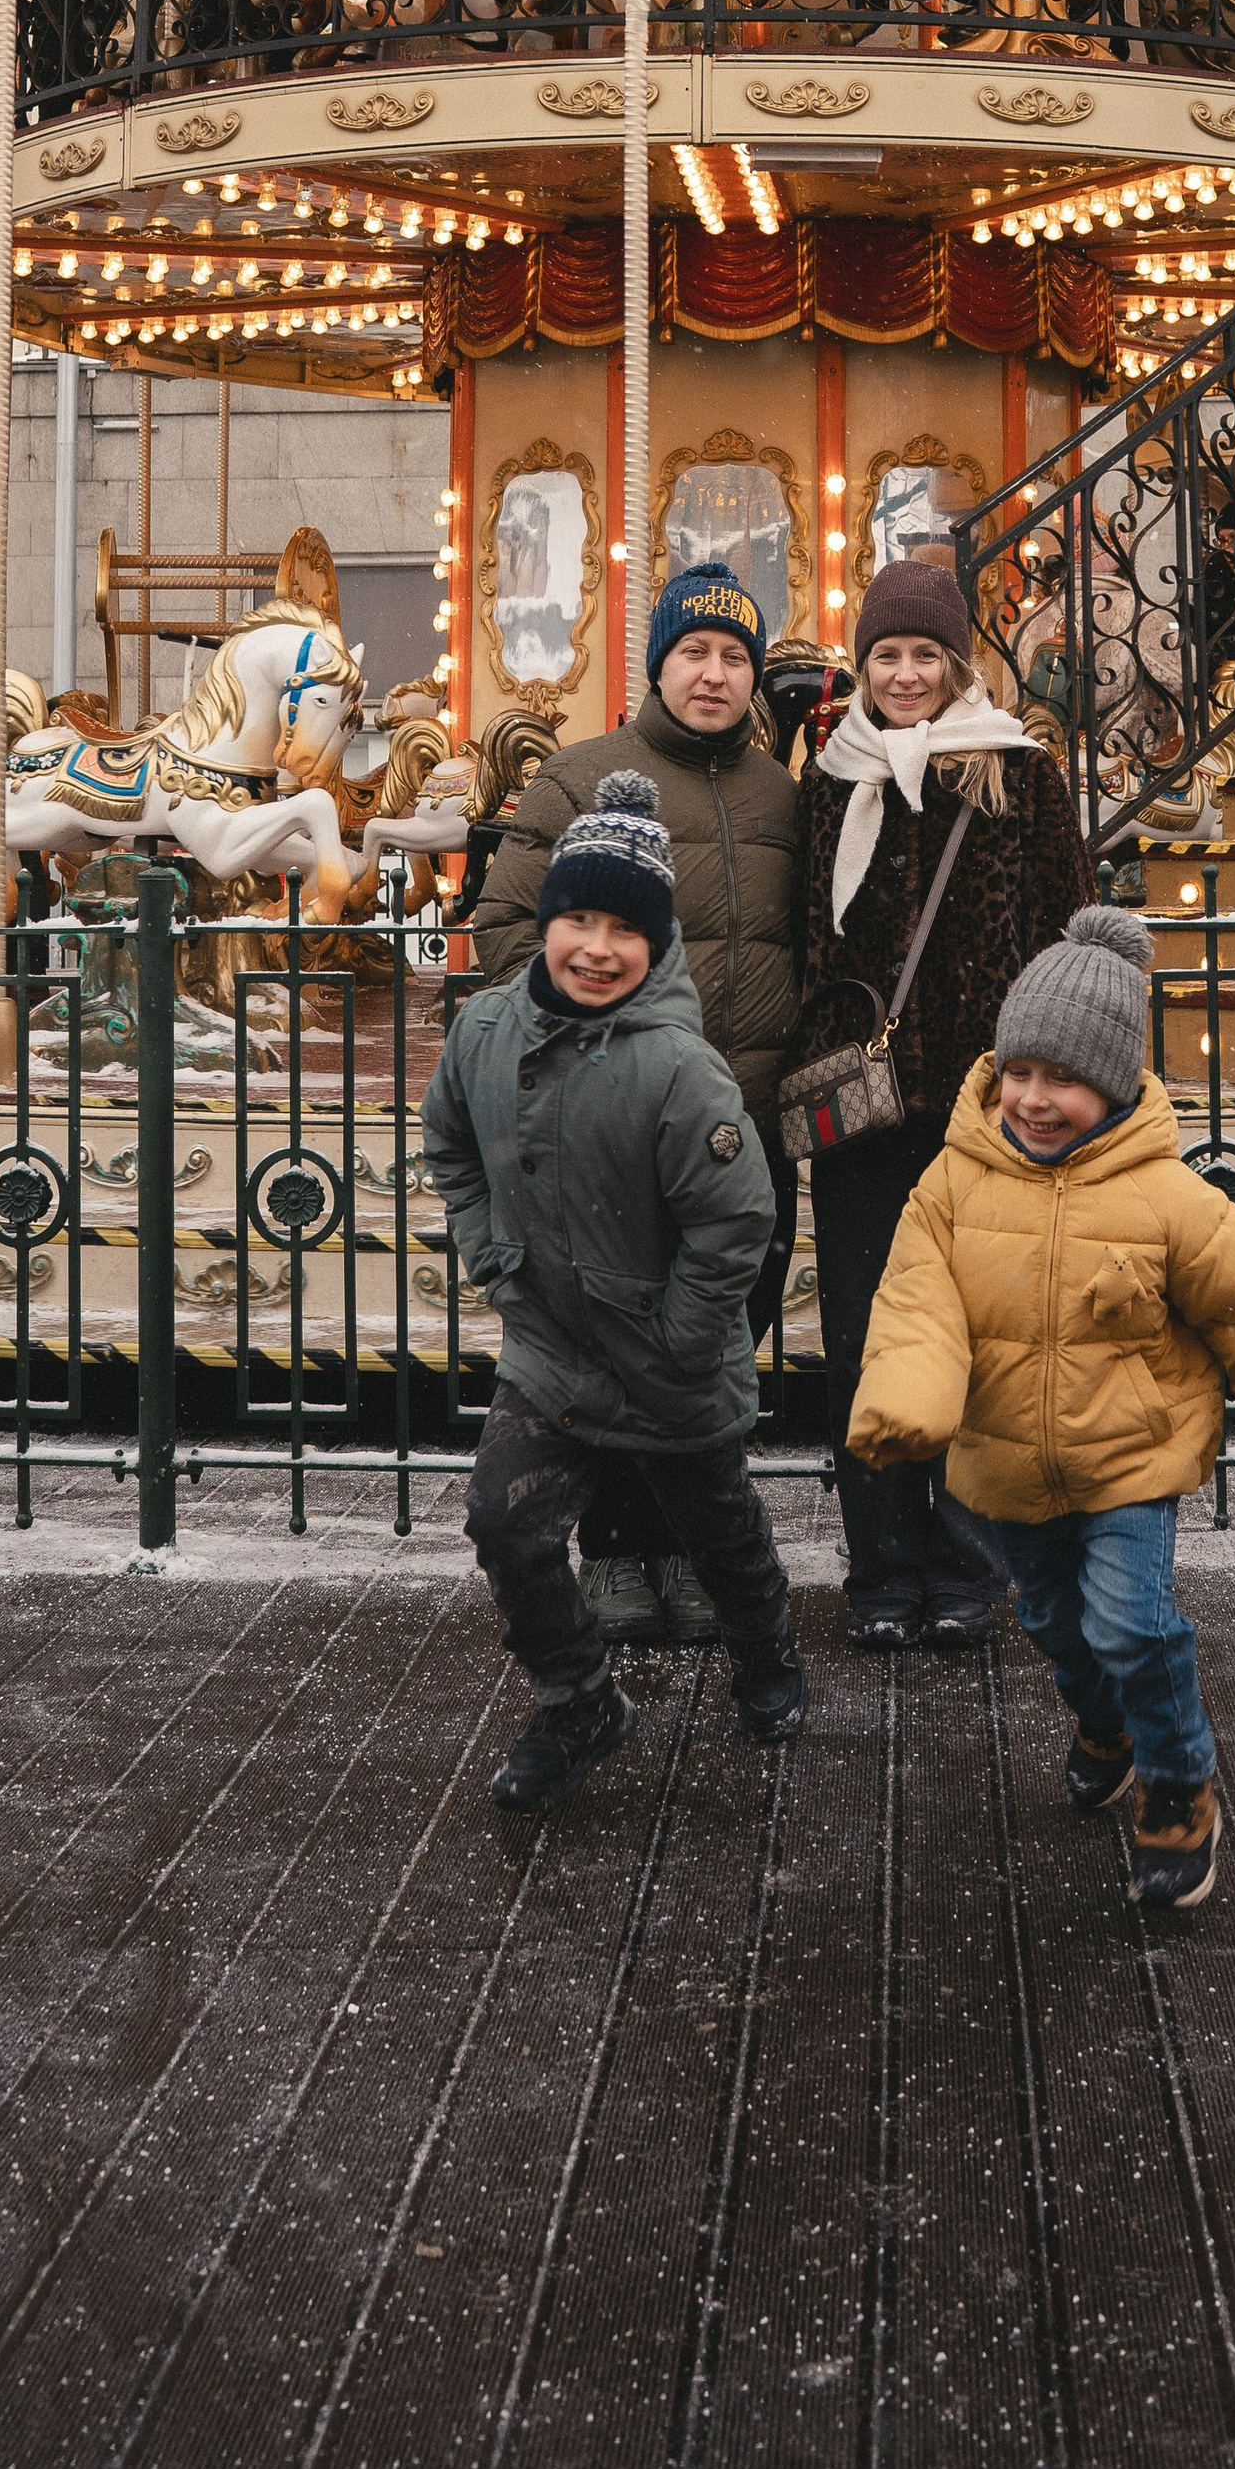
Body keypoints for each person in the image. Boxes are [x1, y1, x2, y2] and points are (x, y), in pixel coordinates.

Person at [846, 908, 1235, 1907]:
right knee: (1056, 1625)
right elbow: (917, 1299)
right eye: (1020, 1074)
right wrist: (909, 1398)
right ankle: (1104, 1725)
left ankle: (1177, 1784)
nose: (1034, 1101)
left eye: (1064, 1080)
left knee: (1132, 1627)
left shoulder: (1170, 1199)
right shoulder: (949, 1185)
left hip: (1130, 1459)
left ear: (1116, 1084)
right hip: (1005, 1466)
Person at [427, 772, 808, 1811]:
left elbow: (736, 1218)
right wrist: (489, 1253)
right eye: (576, 920)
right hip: (550, 1344)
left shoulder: (682, 1071)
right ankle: (576, 1698)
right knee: (505, 1523)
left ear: (658, 944)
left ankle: (766, 1647)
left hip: (664, 1351)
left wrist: (685, 1334)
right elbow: (451, 1143)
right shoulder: (485, 1034)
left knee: (717, 1528)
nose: (596, 948)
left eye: (622, 930)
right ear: (546, 921)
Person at [471, 562, 799, 1647]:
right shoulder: (579, 779)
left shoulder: (778, 796)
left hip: (739, 1119)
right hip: (611, 1127)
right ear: (657, 661)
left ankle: (692, 1547)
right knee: (611, 1343)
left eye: (734, 656)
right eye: (694, 651)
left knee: (712, 1342)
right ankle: (614, 1549)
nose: (714, 674)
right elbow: (508, 930)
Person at [792, 558, 1093, 1649]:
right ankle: (879, 1567)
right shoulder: (829, 777)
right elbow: (803, 940)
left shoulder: (1020, 776)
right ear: (862, 666)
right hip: (864, 1116)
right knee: (867, 1338)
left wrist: (1050, 1085)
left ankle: (966, 1567)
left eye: (925, 654)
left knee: (978, 1338)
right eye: (887, 655)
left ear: (956, 662)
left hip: (985, 1112)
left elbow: (1065, 936)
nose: (907, 675)